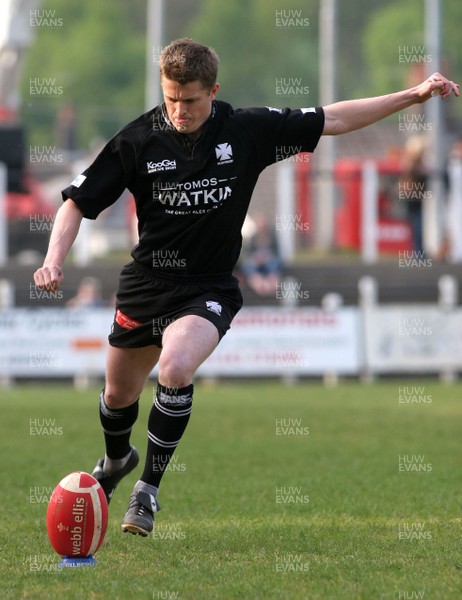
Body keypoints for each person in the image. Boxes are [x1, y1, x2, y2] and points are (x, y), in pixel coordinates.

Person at [33, 38, 459, 537]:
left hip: (207, 287)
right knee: (117, 397)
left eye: (190, 100)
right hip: (145, 284)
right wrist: (52, 260)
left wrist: (411, 96)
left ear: (213, 90)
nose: (179, 110)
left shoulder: (247, 130)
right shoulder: (137, 140)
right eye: (171, 98)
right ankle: (116, 459)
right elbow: (76, 202)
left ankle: (146, 491)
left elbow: (335, 118)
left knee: (174, 367)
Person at [241, 212, 282, 296]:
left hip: (270, 263)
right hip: (256, 264)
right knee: (248, 265)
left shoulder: (272, 236)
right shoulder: (253, 238)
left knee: (275, 263)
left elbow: (277, 253)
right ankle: (257, 281)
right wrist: (256, 258)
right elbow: (248, 254)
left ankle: (271, 280)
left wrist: (267, 257)